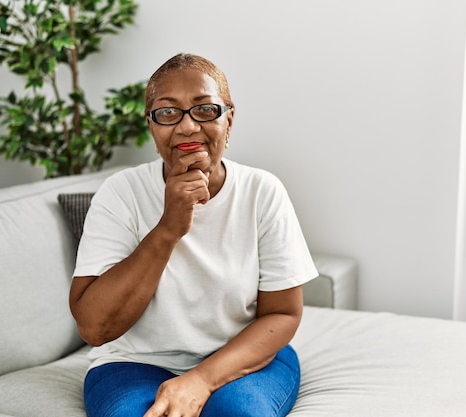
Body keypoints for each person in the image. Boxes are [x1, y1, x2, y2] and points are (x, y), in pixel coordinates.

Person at [69, 53, 318, 417]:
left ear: (229, 121)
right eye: (168, 112)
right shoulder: (120, 193)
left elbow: (283, 314)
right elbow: (94, 327)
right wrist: (169, 227)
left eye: (205, 110)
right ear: (152, 126)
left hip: (242, 358)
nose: (187, 127)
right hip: (134, 362)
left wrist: (201, 380)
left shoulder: (262, 191)